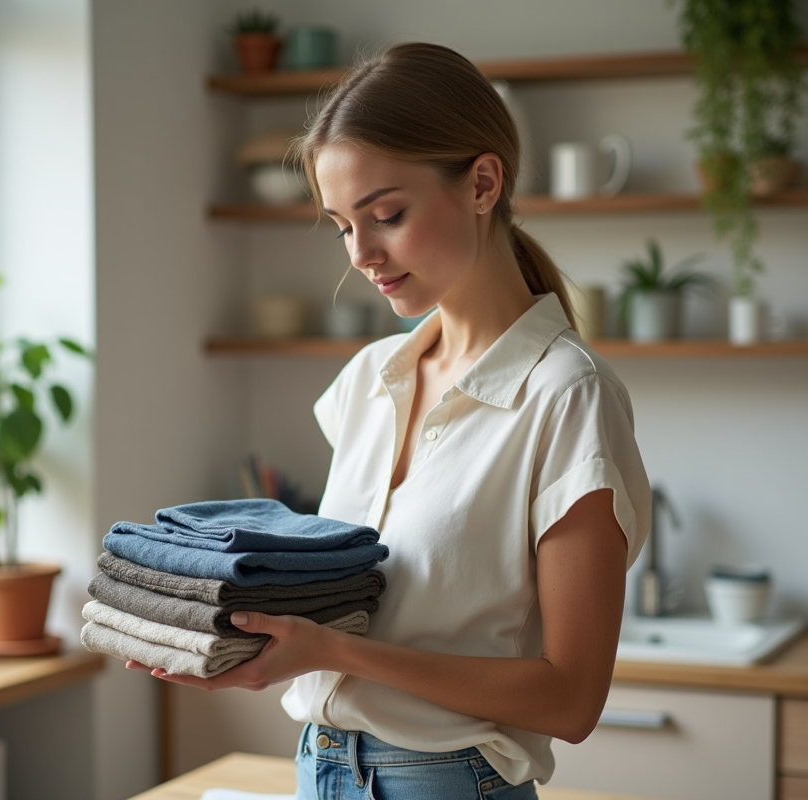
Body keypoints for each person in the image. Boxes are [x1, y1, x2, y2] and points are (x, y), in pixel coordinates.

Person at [127, 42, 651, 799]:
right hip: (320, 767)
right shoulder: (370, 379)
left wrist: (331, 651)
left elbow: (571, 701)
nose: (362, 254)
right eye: (342, 225)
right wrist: (258, 635)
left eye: (387, 215)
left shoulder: (568, 395)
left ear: (481, 182)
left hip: (447, 783)